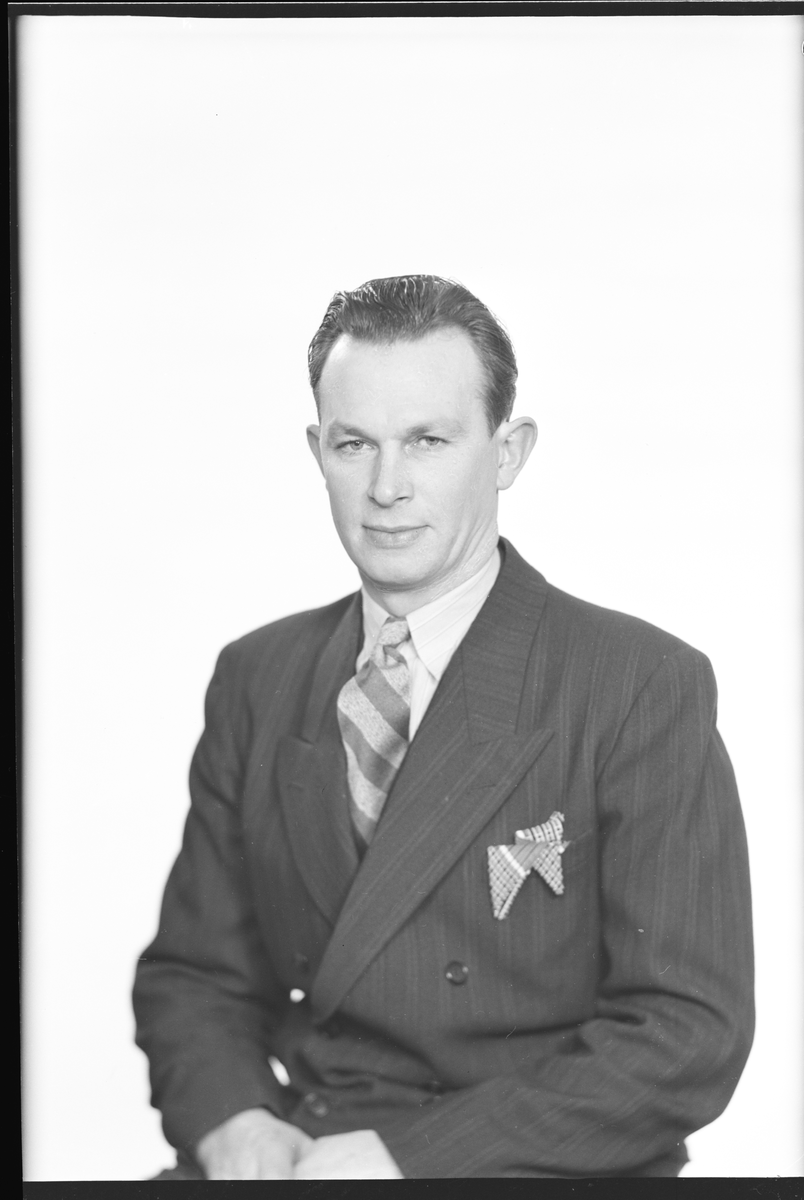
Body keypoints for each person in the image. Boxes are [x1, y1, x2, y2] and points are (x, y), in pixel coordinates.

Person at [133, 275, 754, 1180]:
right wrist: (237, 1126)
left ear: (508, 453)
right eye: (355, 443)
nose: (387, 487)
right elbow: (195, 977)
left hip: (531, 1164)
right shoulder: (257, 676)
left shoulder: (637, 684)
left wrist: (407, 1160)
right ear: (317, 452)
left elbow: (687, 1032)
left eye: (428, 440)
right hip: (304, 1151)